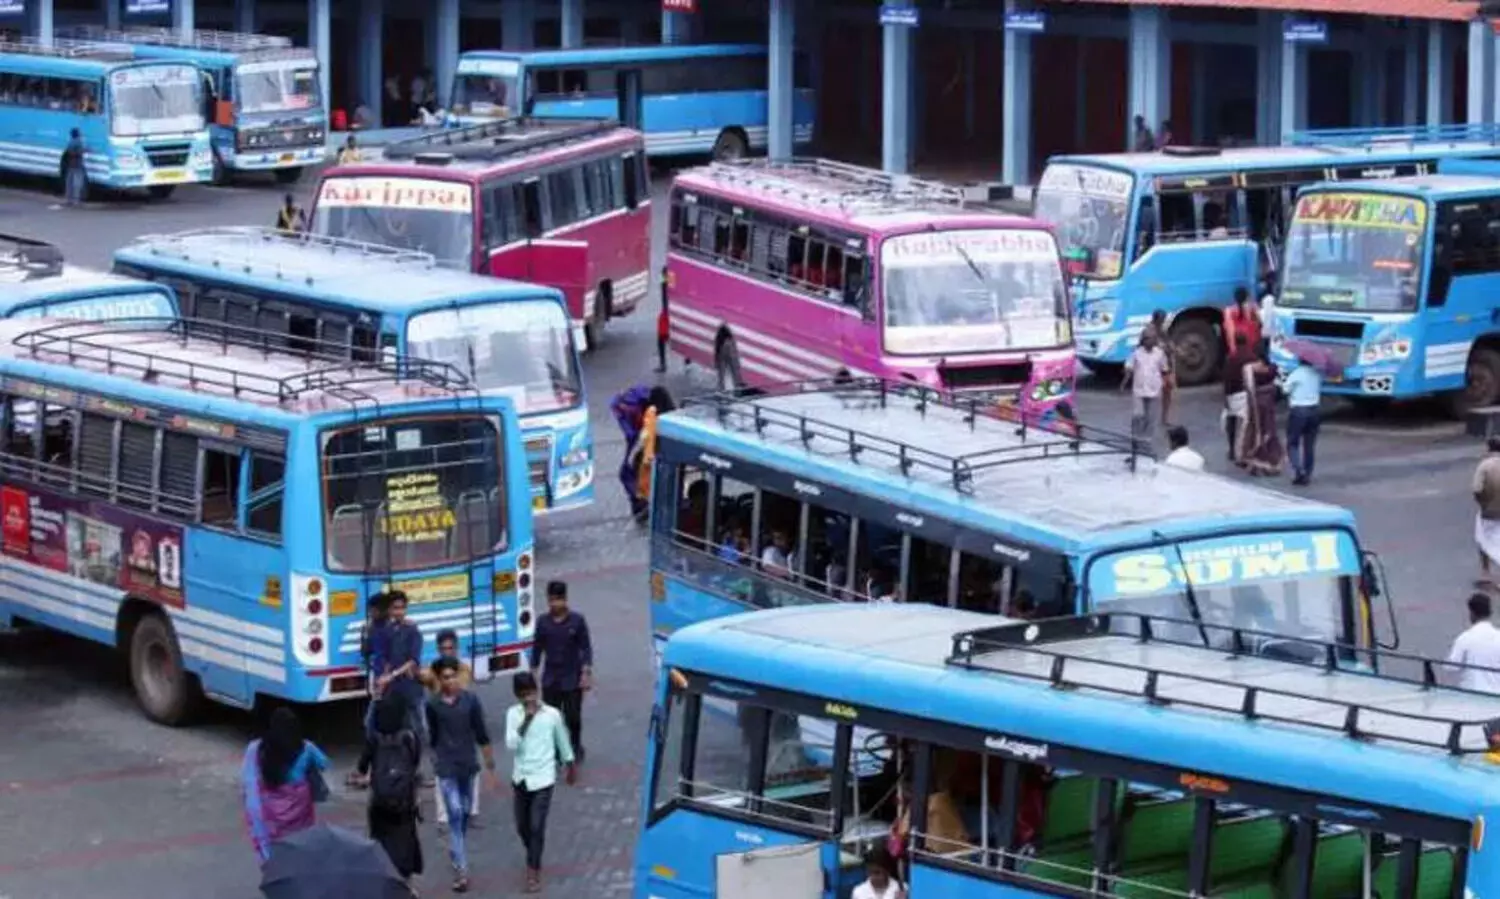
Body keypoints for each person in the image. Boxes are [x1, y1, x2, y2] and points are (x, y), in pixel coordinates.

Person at [426, 657, 498, 893]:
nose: (452, 681)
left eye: (454, 675)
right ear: (440, 680)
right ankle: (461, 869)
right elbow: (433, 736)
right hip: (446, 767)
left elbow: (481, 732)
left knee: (465, 811)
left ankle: (456, 848)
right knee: (455, 812)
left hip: (467, 765)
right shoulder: (433, 705)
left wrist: (489, 761)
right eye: (446, 677)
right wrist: (435, 759)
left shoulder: (470, 701)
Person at [506, 671, 577, 893]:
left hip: (544, 778)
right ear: (518, 695)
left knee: (537, 826)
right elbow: (511, 744)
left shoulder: (552, 715)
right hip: (521, 778)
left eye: (532, 693)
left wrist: (570, 765)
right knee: (522, 826)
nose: (530, 699)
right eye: (524, 695)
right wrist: (527, 719)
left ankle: (533, 871)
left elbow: (562, 741)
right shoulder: (513, 714)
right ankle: (533, 853)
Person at [242, 707, 330, 865]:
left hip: (272, 813)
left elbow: (249, 781)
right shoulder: (307, 748)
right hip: (301, 811)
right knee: (301, 843)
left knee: (278, 846)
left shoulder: (256, 749)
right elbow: (324, 763)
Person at [357, 695, 423, 889]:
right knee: (406, 841)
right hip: (405, 802)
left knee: (380, 842)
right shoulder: (410, 737)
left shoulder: (374, 739)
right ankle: (407, 884)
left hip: (380, 803)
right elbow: (415, 763)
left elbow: (361, 767)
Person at [420, 629, 478, 831]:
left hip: (462, 726)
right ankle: (443, 818)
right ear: (437, 649)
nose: (447, 652)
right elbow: (420, 677)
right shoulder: (432, 671)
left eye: (450, 648)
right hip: (441, 727)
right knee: (442, 772)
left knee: (471, 769)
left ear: (456, 648)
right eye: (443, 648)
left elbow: (465, 696)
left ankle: (470, 812)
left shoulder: (464, 670)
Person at [531, 580, 593, 762]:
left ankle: (575, 745)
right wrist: (533, 674)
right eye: (551, 600)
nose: (554, 604)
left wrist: (586, 673)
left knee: (573, 717)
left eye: (557, 600)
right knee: (552, 717)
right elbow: (537, 649)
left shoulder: (577, 621)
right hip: (551, 679)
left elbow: (586, 648)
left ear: (565, 599)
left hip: (572, 677)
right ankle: (557, 749)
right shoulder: (543, 623)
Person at [380, 592, 427, 745]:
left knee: (416, 721)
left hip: (410, 683)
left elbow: (413, 661)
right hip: (395, 685)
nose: (399, 611)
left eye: (402, 608)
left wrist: (393, 674)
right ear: (390, 610)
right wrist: (384, 678)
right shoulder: (388, 630)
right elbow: (387, 658)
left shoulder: (412, 631)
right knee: (400, 721)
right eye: (395, 608)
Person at [1238, 342, 1285, 477]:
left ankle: (1254, 461)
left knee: (1255, 430)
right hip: (1269, 403)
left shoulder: (1250, 368)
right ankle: (1270, 461)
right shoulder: (1273, 368)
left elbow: (1247, 386)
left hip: (1256, 403)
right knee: (1269, 430)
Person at [1121, 330, 1168, 451]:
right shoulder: (1136, 353)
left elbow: (1164, 369)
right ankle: (1135, 438)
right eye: (1147, 338)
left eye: (1152, 338)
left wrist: (1166, 383)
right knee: (1138, 415)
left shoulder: (1160, 353)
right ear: (1143, 340)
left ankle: (1146, 441)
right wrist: (1124, 383)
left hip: (1154, 389)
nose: (1150, 341)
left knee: (1151, 418)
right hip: (1139, 390)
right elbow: (1129, 368)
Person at [1283, 353, 1323, 486]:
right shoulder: (1316, 374)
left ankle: (1298, 470)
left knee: (1292, 442)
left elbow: (1285, 389)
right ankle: (1308, 473)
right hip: (1315, 410)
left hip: (1299, 410)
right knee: (1309, 445)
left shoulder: (1296, 374)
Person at [1448, 593, 1500, 693]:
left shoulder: (1464, 638)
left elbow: (1451, 667)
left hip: (1471, 695)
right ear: (1490, 613)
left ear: (1472, 613)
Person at [1222, 332, 1254, 462]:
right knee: (1246, 425)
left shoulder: (1231, 358)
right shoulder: (1252, 357)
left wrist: (1225, 397)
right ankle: (1245, 450)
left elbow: (1226, 379)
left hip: (1233, 394)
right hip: (1246, 393)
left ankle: (1231, 449)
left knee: (1231, 422)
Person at [1145, 309, 1176, 427]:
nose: (1163, 322)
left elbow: (1169, 344)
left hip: (1164, 366)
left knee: (1167, 391)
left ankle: (1164, 418)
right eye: (1162, 319)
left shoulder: (1162, 331)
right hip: (1153, 366)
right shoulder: (1149, 331)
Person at [1476, 437, 1500, 585]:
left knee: (1483, 538)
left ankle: (1486, 571)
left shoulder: (1484, 466)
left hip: (1490, 510)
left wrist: (1482, 503)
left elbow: (1477, 489)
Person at [1222, 287, 1262, 357]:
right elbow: (1259, 323)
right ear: (1247, 298)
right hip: (1252, 343)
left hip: (1239, 344)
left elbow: (1230, 330)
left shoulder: (1229, 311)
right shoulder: (1252, 308)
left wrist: (1232, 348)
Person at [62, 128, 85, 207]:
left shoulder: (70, 142)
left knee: (69, 183)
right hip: (78, 165)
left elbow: (68, 152)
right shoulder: (78, 142)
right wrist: (85, 150)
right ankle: (76, 201)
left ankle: (68, 200)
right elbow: (79, 151)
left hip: (70, 165)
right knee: (77, 183)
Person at [656, 265, 670, 374]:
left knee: (661, 339)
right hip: (669, 313)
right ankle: (687, 360)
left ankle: (662, 363)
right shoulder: (667, 284)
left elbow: (665, 303)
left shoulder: (665, 285)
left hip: (667, 315)